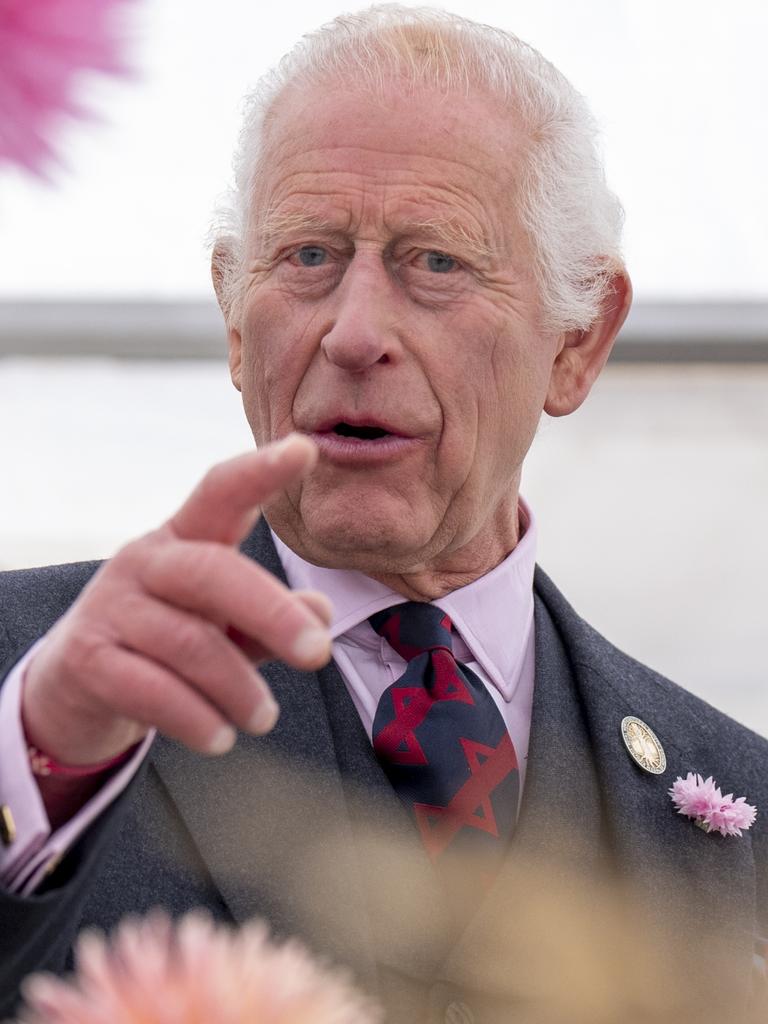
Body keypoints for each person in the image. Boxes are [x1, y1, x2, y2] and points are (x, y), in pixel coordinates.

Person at [1, 7, 766, 1021]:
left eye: (436, 261)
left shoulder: (739, 796)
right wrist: (42, 761)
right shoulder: (31, 689)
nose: (354, 334)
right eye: (309, 256)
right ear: (235, 318)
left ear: (579, 340)